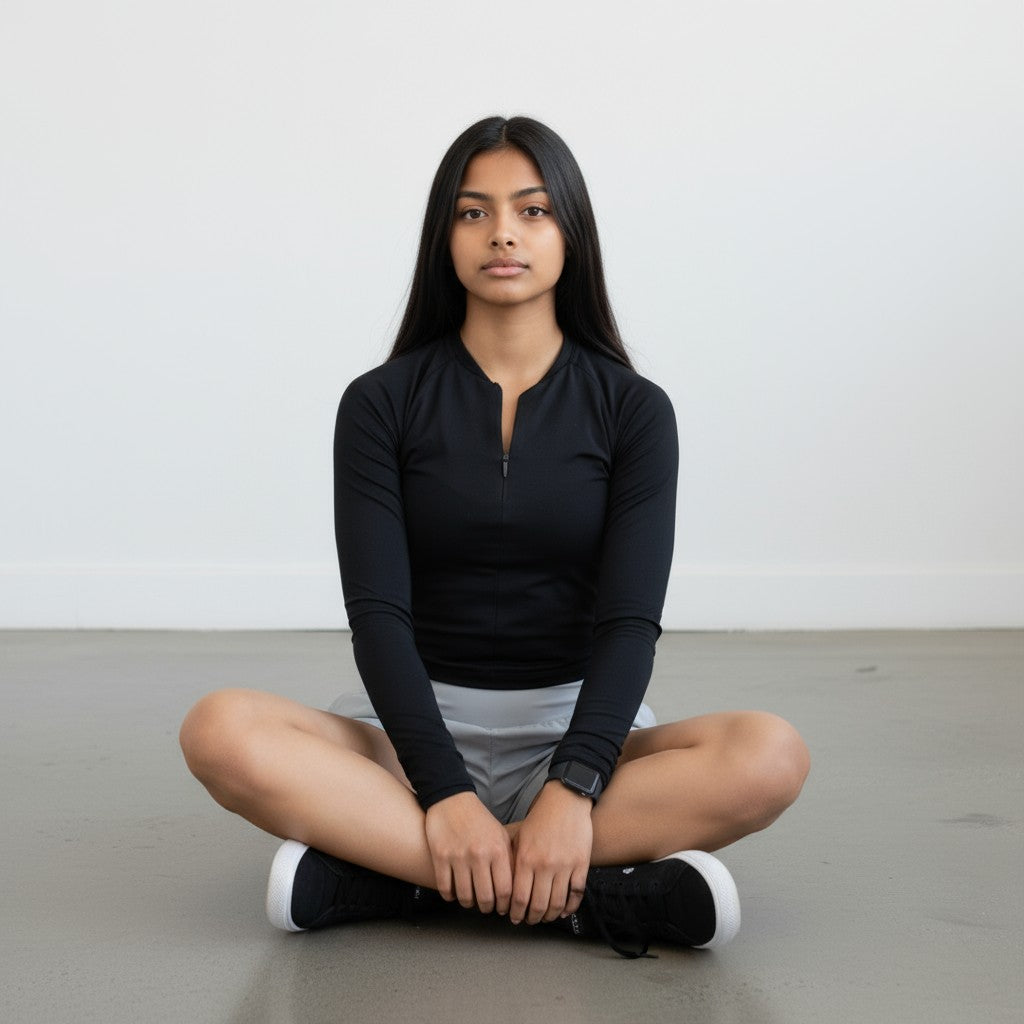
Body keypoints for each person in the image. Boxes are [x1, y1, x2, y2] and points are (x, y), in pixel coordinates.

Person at [179, 115, 810, 958]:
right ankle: (585, 899)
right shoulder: (379, 403)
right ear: (445, 236)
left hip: (574, 727)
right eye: (473, 212)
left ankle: (392, 878)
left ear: (570, 233)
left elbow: (629, 622)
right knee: (218, 730)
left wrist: (574, 787)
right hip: (405, 736)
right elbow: (378, 618)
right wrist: (442, 790)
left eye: (533, 210)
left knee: (770, 755)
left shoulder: (635, 411)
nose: (503, 232)